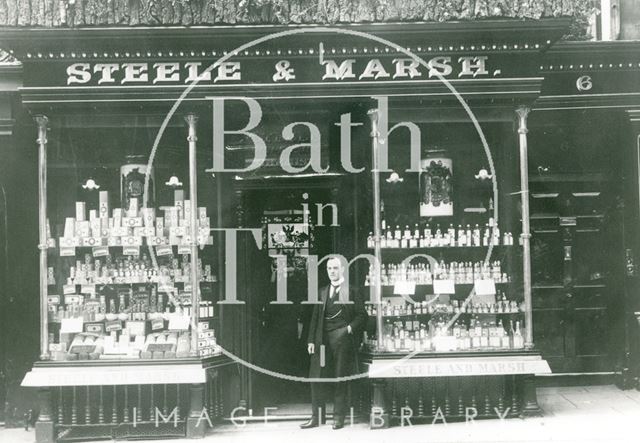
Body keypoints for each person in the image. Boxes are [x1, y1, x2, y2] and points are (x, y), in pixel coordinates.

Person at [300, 257, 367, 430]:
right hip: (322, 341)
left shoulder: (352, 291)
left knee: (339, 377)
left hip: (342, 341)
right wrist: (311, 341)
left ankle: (338, 417)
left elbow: (362, 316)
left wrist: (349, 329)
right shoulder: (323, 291)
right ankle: (317, 417)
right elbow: (315, 318)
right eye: (329, 268)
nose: (332, 271)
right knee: (317, 377)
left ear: (342, 270)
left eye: (335, 268)